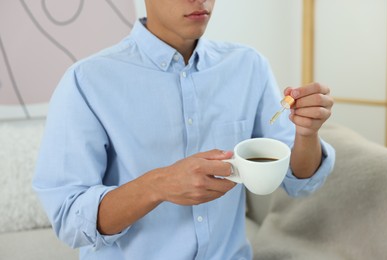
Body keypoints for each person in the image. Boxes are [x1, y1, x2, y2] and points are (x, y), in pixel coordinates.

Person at [33, 0, 335, 259]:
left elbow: (299, 182)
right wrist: (159, 184)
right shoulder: (86, 82)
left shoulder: (248, 66)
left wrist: (306, 134)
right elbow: (71, 219)